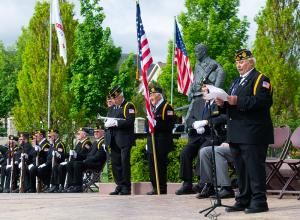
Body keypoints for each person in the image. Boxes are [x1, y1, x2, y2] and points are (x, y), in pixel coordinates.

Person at [215, 49, 273, 214]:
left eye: (242, 62)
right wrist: (223, 104)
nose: (238, 65)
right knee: (241, 168)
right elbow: (232, 105)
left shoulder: (261, 79)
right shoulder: (235, 82)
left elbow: (263, 101)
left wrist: (238, 100)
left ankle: (260, 201)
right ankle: (243, 199)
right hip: (237, 133)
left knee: (254, 168)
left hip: (253, 133)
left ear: (251, 62)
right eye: (237, 62)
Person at [175, 81, 227, 195]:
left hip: (211, 136)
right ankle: (187, 183)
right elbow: (189, 118)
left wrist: (206, 122)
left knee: (202, 151)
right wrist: (194, 124)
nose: (205, 93)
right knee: (185, 152)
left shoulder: (219, 102)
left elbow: (224, 117)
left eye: (207, 91)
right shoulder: (197, 103)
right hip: (197, 136)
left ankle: (203, 183)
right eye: (203, 91)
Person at [105, 85, 136, 195]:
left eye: (115, 99)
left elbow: (130, 121)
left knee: (124, 162)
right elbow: (107, 121)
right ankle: (119, 184)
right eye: (113, 99)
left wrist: (116, 122)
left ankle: (126, 187)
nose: (114, 101)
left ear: (121, 96)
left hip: (124, 139)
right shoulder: (112, 108)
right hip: (113, 139)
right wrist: (107, 125)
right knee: (115, 163)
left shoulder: (128, 106)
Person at [146, 87, 175, 195]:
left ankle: (161, 188)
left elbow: (170, 124)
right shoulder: (153, 109)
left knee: (160, 167)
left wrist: (156, 124)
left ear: (159, 95)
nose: (151, 98)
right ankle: (155, 187)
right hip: (152, 141)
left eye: (152, 95)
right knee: (152, 166)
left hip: (161, 142)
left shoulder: (167, 107)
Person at [46, 127, 92, 193]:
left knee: (62, 166)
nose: (77, 135)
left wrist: (75, 155)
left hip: (79, 162)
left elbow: (83, 154)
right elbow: (72, 153)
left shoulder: (87, 143)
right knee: (56, 166)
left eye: (78, 133)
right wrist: (60, 155)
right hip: (74, 161)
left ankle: (69, 185)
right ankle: (56, 186)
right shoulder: (80, 143)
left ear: (84, 134)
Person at [65, 125, 106, 193]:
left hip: (96, 163)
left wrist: (86, 160)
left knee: (77, 164)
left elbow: (98, 157)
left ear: (103, 133)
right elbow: (88, 154)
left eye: (97, 132)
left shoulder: (103, 142)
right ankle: (72, 185)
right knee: (70, 164)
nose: (95, 133)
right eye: (94, 132)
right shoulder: (96, 142)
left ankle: (78, 186)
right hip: (91, 162)